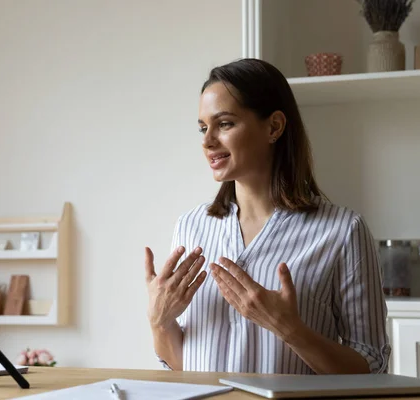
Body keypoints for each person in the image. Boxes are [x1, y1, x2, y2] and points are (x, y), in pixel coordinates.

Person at [144, 58, 391, 375]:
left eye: (225, 124)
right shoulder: (190, 227)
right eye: (203, 128)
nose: (207, 141)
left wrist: (291, 330)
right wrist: (159, 322)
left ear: (274, 126)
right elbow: (185, 366)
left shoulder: (343, 231)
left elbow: (371, 367)